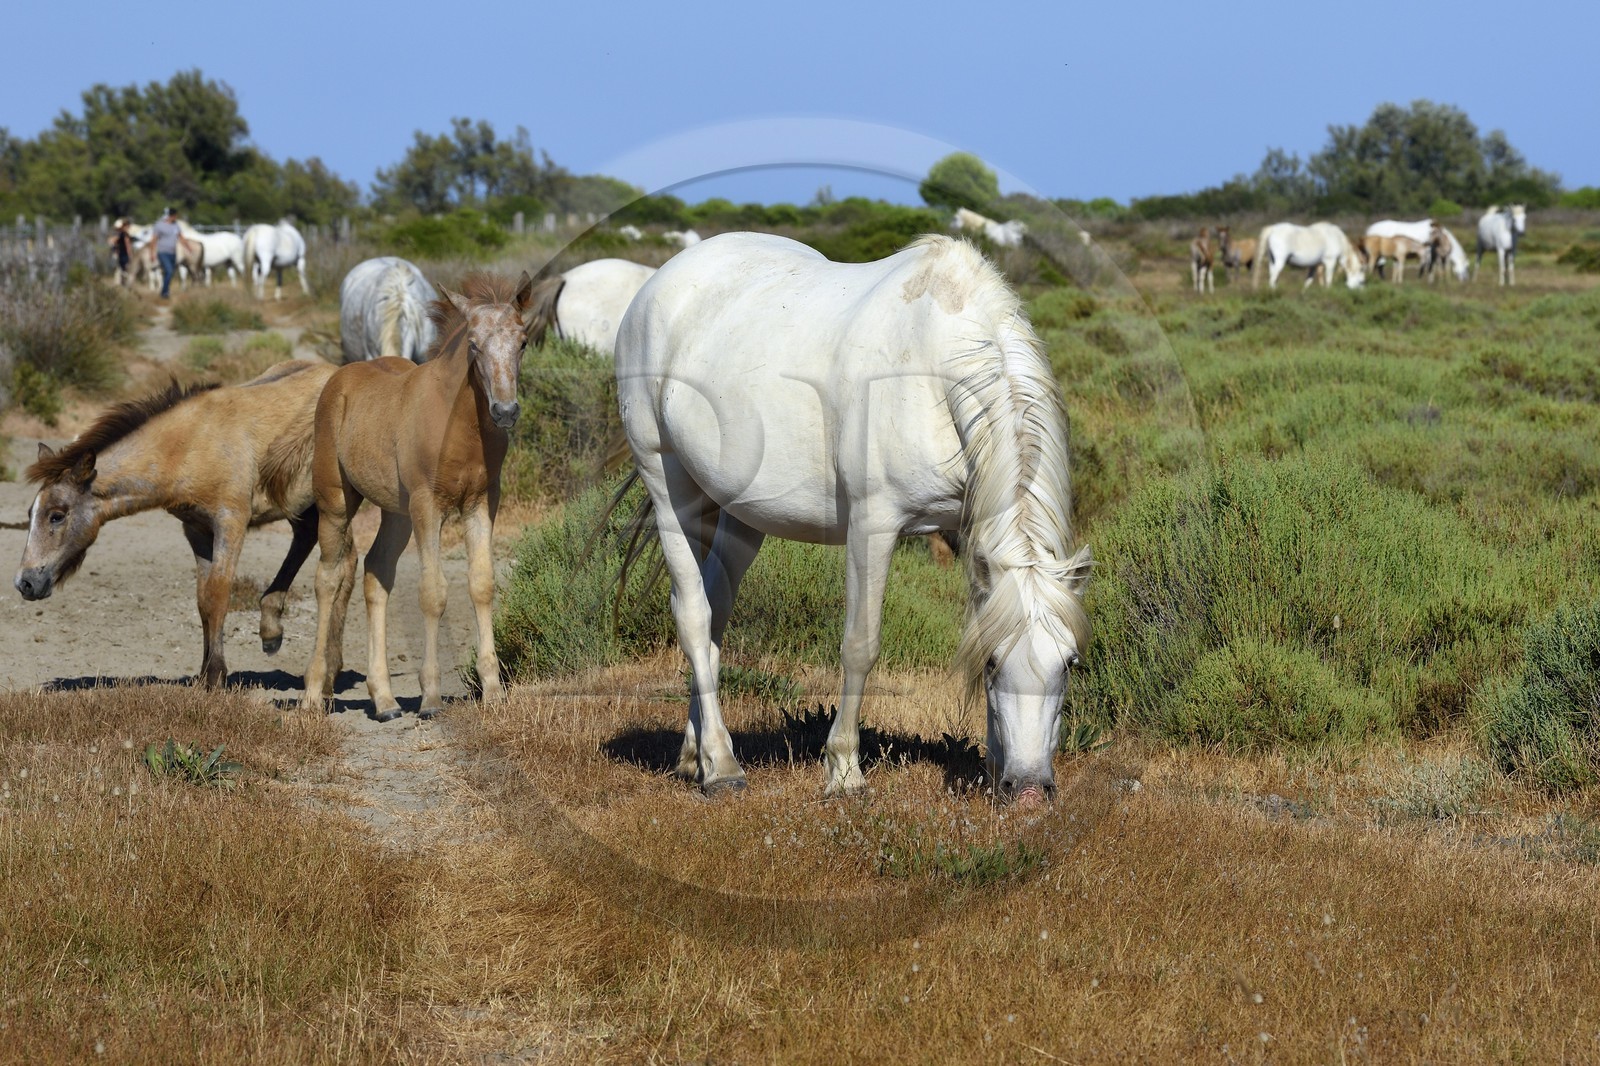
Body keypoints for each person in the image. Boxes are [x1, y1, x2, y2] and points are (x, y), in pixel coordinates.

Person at [151, 207, 183, 298]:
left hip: (173, 253)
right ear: (171, 216)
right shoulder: (159, 225)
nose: (176, 218)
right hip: (162, 252)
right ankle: (164, 293)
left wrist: (189, 248)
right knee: (169, 271)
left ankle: (166, 290)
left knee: (170, 272)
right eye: (175, 216)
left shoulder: (176, 225)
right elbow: (153, 240)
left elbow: (181, 237)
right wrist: (152, 253)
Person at [107, 218, 136, 287]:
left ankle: (120, 283)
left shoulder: (121, 234)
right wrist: (130, 254)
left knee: (120, 269)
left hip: (121, 253)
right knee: (124, 269)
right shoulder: (123, 234)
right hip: (123, 254)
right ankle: (123, 284)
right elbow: (127, 245)